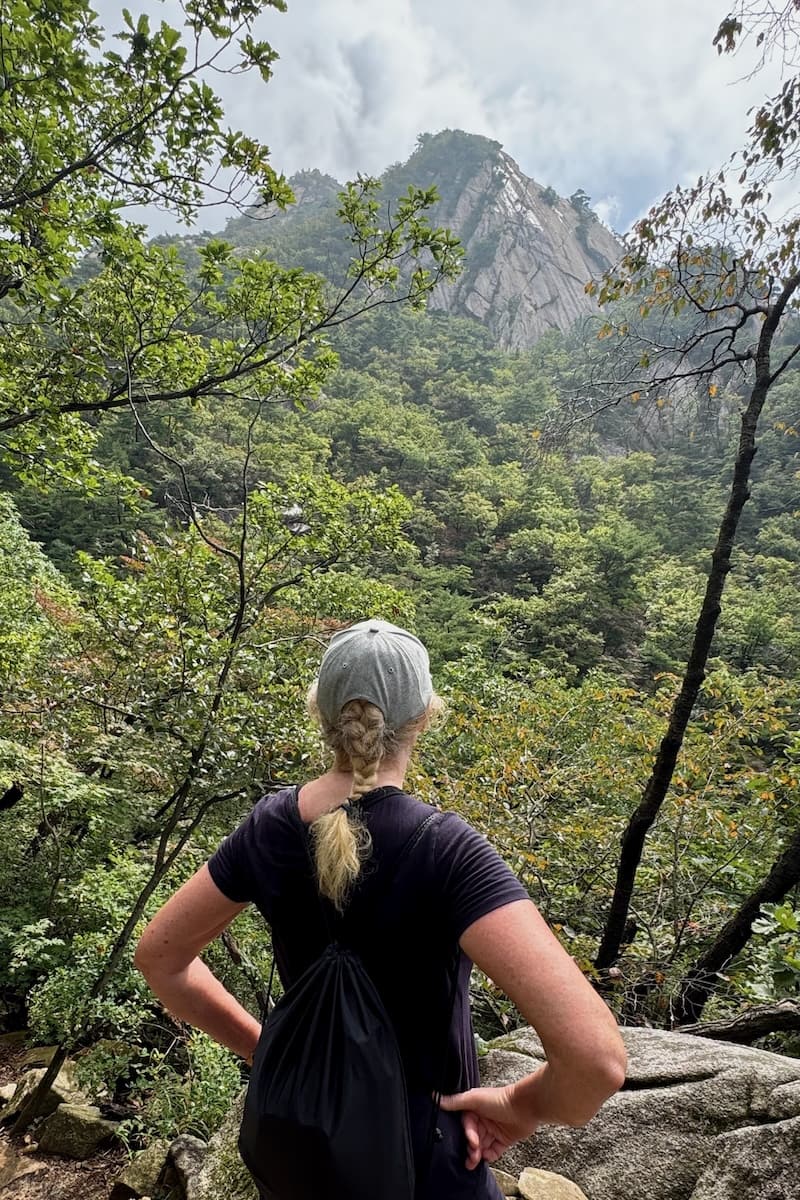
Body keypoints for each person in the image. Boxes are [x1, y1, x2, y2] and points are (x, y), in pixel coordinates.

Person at [135, 619, 626, 1198]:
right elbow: (595, 1063)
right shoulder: (447, 850)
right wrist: (520, 1105)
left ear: (321, 710)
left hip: (302, 1150)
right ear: (423, 717)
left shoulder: (268, 827)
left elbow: (160, 959)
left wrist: (266, 1049)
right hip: (426, 1160)